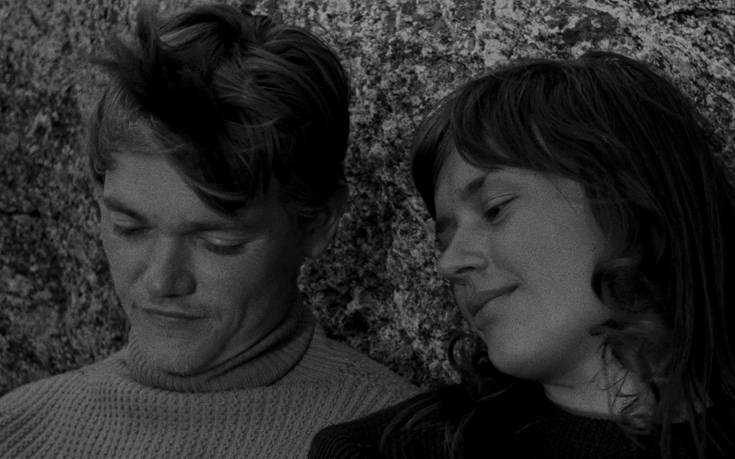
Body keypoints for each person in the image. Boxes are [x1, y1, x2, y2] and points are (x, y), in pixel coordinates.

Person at [0, 3, 416, 457]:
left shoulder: (396, 441)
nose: (161, 282)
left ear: (317, 223)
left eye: (220, 243)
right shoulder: (17, 429)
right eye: (129, 227)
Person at [309, 51, 735, 458]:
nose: (448, 264)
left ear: (632, 199)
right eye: (444, 241)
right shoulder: (380, 451)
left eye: (495, 209)